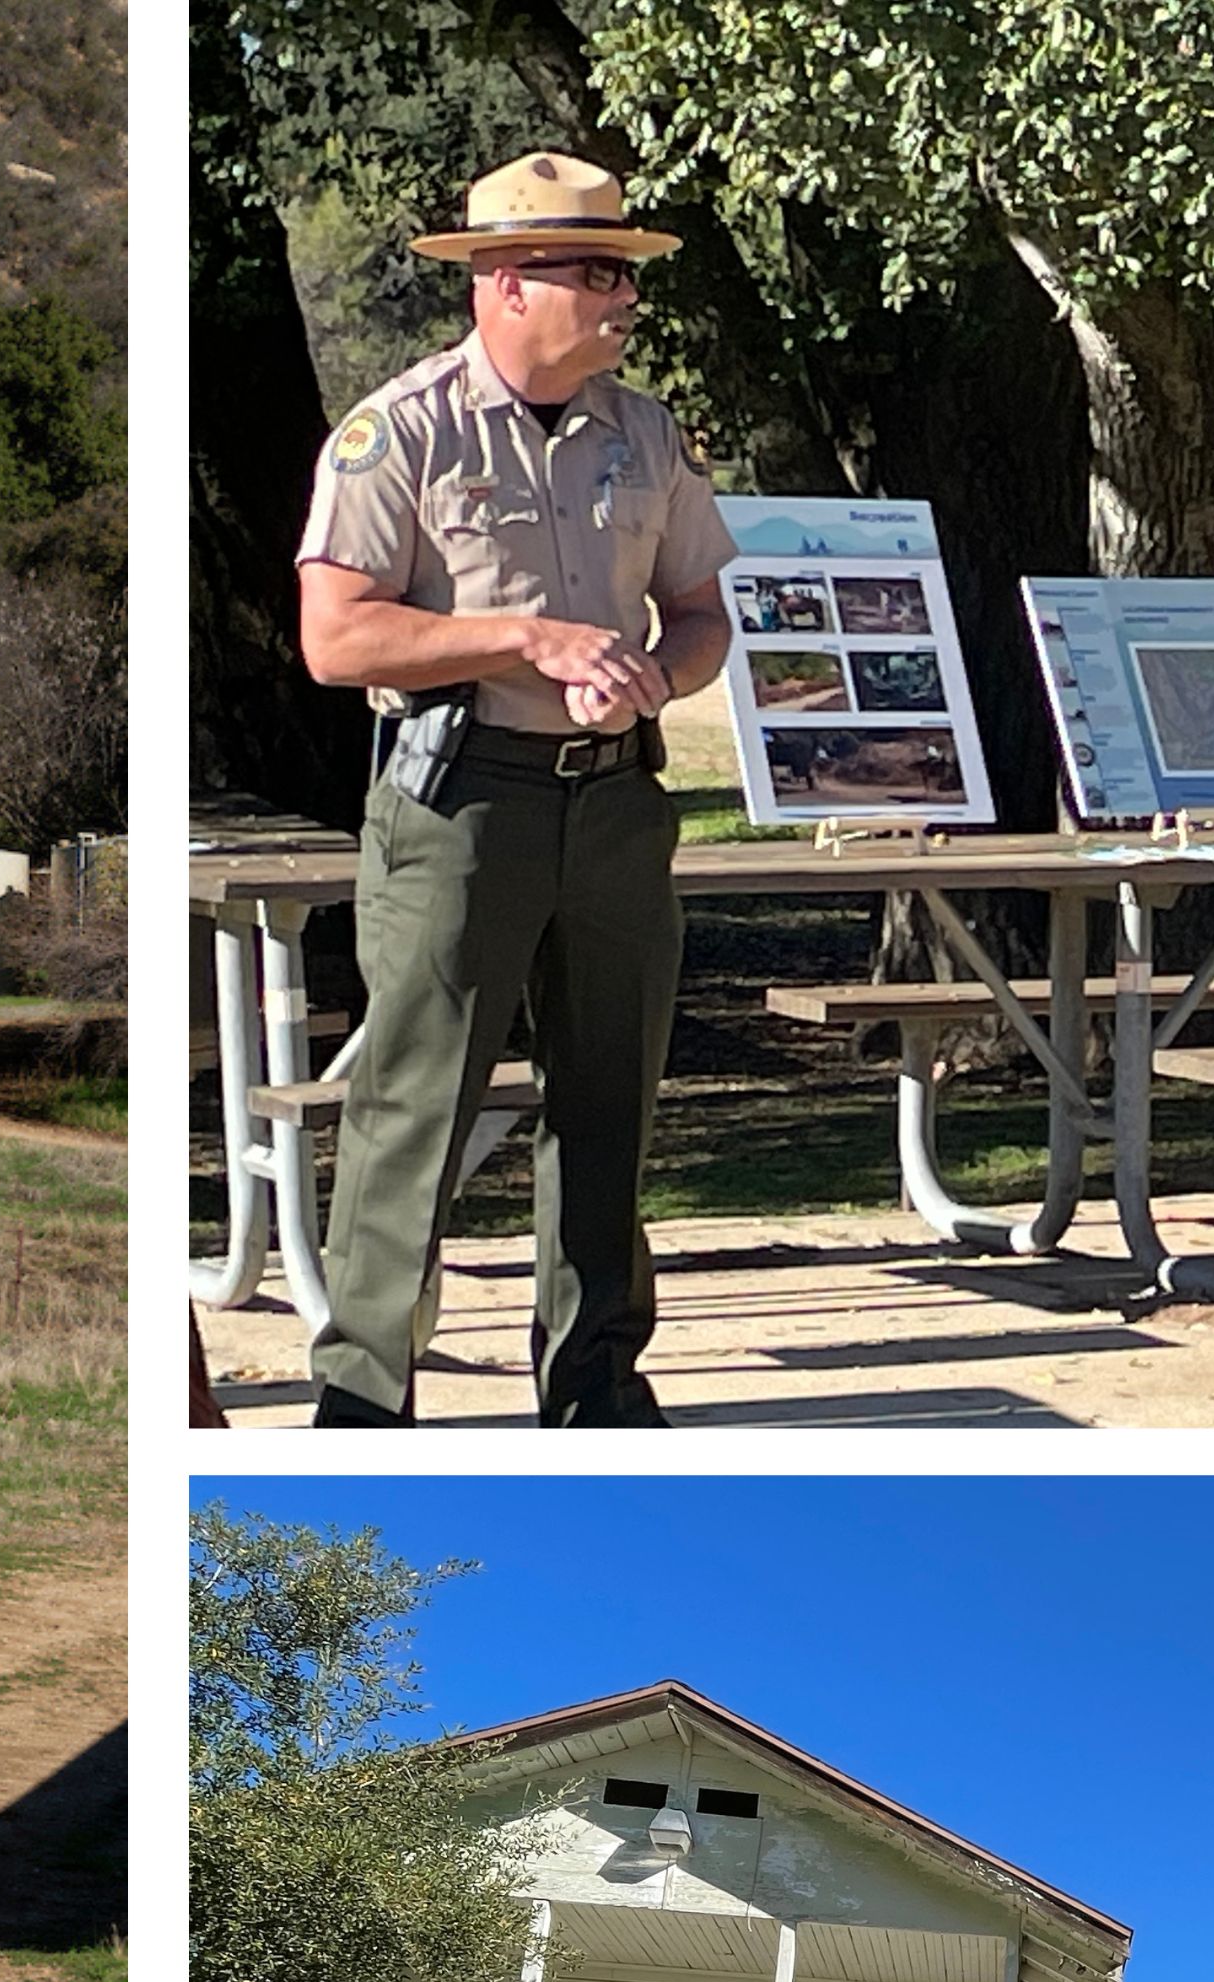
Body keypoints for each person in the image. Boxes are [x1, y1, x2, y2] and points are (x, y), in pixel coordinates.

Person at [292, 150, 738, 1428]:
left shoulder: (646, 434)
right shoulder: (401, 431)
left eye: (625, 271)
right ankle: (363, 1401)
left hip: (614, 803)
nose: (622, 296)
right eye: (594, 271)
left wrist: (654, 677)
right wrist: (525, 639)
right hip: (460, 803)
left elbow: (702, 611)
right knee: (412, 1110)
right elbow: (336, 638)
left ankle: (596, 1387)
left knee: (609, 1102)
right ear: (504, 283)